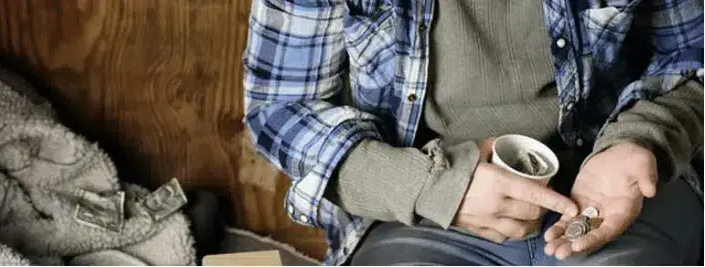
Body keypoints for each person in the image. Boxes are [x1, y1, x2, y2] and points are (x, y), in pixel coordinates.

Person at [243, 0, 704, 265]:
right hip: (421, 214)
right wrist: (430, 185)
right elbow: (280, 106)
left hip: (620, 199)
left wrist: (646, 136)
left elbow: (695, 55)